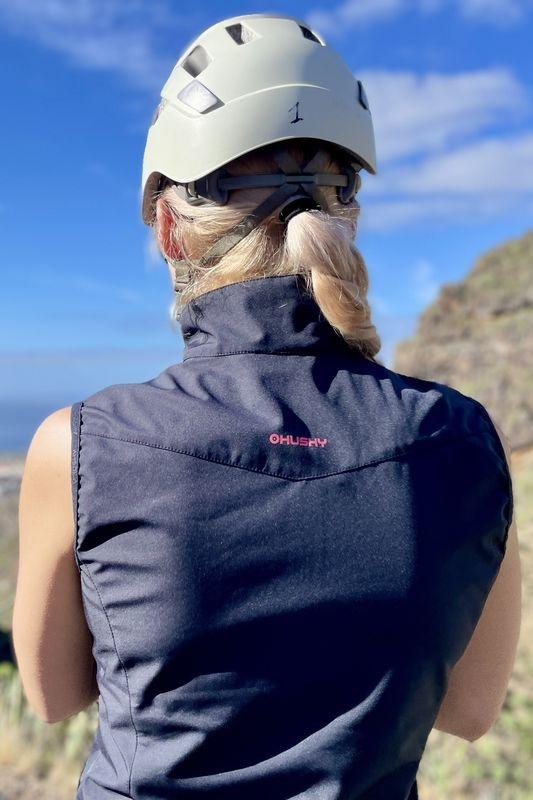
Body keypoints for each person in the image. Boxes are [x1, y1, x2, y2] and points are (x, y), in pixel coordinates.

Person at [12, 12, 521, 800]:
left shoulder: (80, 445)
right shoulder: (460, 440)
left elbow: (53, 697)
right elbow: (469, 709)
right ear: (346, 216)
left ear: (169, 228)